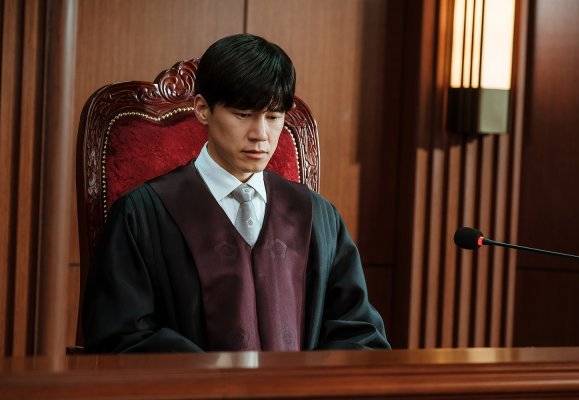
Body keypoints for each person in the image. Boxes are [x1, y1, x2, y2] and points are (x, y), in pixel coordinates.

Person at [83, 33, 390, 352]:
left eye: (274, 117)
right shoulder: (142, 215)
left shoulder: (317, 217)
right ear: (202, 109)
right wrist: (214, 375)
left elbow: (360, 334)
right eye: (243, 115)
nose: (261, 135)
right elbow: (121, 336)